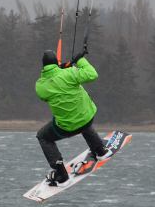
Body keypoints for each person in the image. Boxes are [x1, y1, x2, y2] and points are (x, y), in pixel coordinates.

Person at [35, 46, 113, 186]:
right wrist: (80, 60)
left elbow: (46, 90)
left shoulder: (41, 86)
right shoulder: (71, 73)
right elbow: (92, 74)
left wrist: (60, 70)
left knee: (42, 136)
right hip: (87, 118)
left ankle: (61, 174)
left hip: (66, 127)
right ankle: (100, 150)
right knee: (80, 118)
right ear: (56, 63)